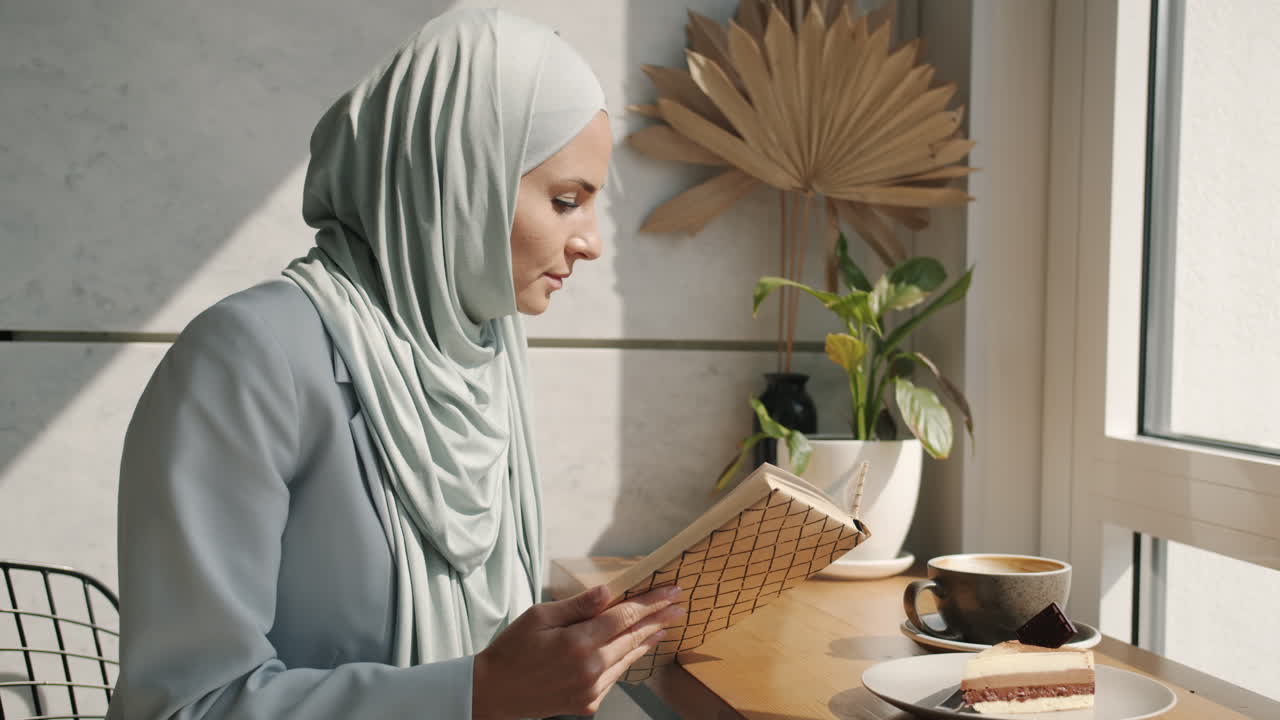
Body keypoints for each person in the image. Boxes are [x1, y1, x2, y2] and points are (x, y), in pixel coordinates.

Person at [106, 9, 681, 719]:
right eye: (566, 201)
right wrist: (477, 692)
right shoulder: (250, 358)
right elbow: (183, 706)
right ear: (456, 178)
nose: (591, 242)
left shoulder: (481, 355)